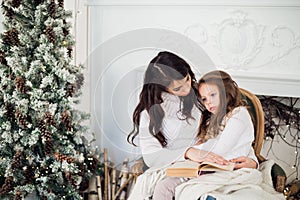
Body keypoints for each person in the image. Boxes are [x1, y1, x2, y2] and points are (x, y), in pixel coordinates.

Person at [127, 52, 257, 200]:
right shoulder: (150, 113)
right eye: (177, 89)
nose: (187, 89)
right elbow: (152, 157)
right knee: (166, 188)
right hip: (177, 168)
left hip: (210, 167)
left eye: (187, 79)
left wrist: (253, 161)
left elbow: (231, 135)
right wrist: (188, 152)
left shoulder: (203, 97)